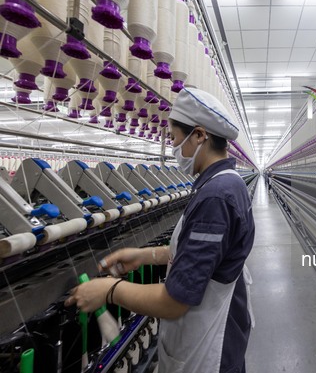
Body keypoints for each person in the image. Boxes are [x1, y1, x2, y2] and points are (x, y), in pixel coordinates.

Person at [66, 87, 256, 373]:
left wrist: (109, 290)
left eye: (175, 137)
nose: (173, 146)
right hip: (210, 336)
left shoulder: (216, 196)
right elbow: (204, 255)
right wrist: (145, 256)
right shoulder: (224, 184)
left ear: (200, 135)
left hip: (208, 354)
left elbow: (174, 302)